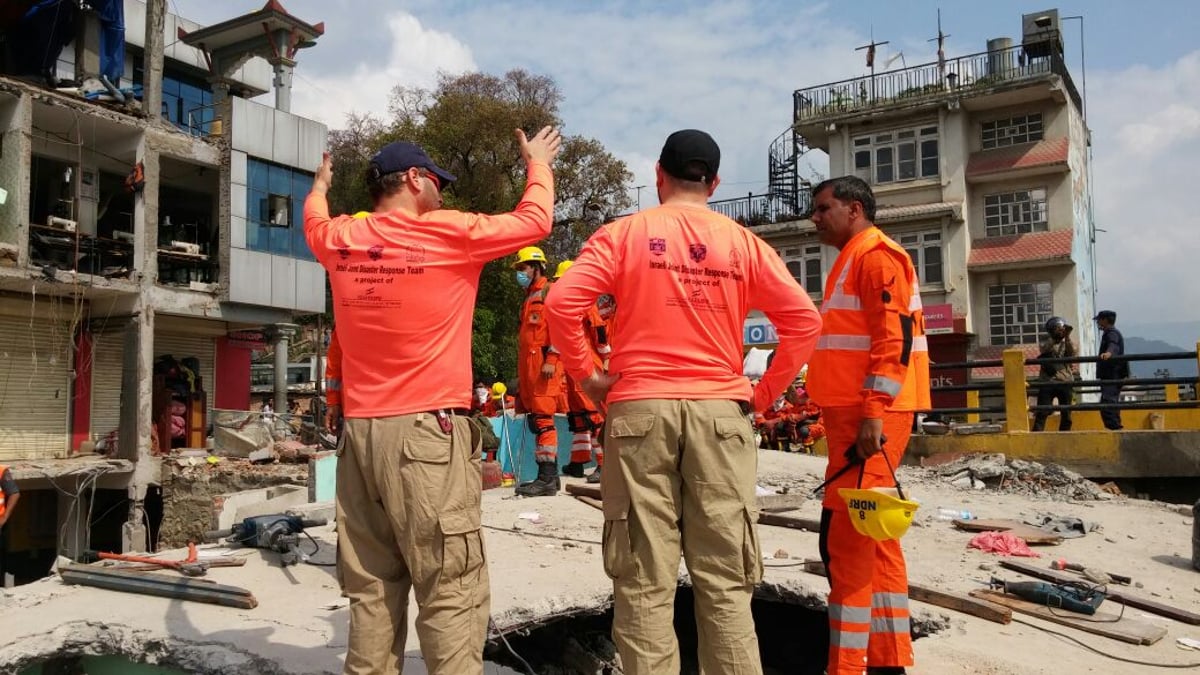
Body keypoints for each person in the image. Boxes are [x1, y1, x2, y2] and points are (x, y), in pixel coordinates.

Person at [545, 129, 822, 675]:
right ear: (714, 182)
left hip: (639, 410)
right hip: (721, 413)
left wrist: (590, 377)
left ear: (658, 175)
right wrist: (761, 396)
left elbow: (561, 303)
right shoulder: (743, 243)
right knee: (725, 580)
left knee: (644, 579)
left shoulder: (625, 234)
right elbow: (804, 321)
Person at [304, 126, 561, 675]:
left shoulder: (341, 240)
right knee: (451, 588)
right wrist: (537, 163)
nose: (442, 192)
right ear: (415, 180)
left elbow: (314, 222)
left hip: (361, 439)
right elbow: (534, 221)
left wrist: (320, 186)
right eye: (437, 182)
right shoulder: (450, 233)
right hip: (427, 436)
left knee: (370, 591)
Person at [805, 175, 931, 675]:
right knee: (874, 538)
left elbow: (891, 342)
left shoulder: (876, 257)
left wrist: (874, 414)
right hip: (855, 419)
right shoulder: (854, 257)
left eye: (822, 208)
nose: (814, 218)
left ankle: (850, 664)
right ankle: (887, 661)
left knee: (850, 542)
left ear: (853, 209)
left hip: (870, 419)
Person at [511, 246, 566, 497]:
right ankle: (550, 478)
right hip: (530, 368)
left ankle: (545, 478)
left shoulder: (548, 292)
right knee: (537, 420)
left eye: (523, 267)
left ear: (536, 267)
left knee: (544, 421)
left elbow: (561, 327)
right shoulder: (529, 296)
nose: (520, 272)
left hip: (544, 366)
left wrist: (552, 358)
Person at [555, 261, 612, 484]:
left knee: (594, 415)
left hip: (587, 363)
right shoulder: (564, 304)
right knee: (579, 418)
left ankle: (603, 463)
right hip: (572, 367)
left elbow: (598, 330)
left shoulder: (584, 303)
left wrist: (606, 357)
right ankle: (578, 462)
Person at [1032, 317, 1078, 432]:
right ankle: (1037, 436)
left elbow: (1073, 352)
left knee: (1066, 414)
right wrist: (1054, 338)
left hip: (1065, 381)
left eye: (1061, 329)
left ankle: (1065, 437)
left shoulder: (1066, 342)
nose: (1060, 331)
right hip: (1047, 382)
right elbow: (1044, 349)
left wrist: (1067, 336)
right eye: (1057, 329)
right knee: (1042, 412)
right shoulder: (1045, 340)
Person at [1095, 309, 1127, 430]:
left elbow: (1113, 344)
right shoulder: (1111, 332)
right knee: (1111, 402)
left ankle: (1115, 428)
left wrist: (1108, 353)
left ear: (1104, 320)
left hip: (1112, 374)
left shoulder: (1111, 333)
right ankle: (1115, 427)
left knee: (1107, 403)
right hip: (1114, 374)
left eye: (1099, 320)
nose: (1098, 323)